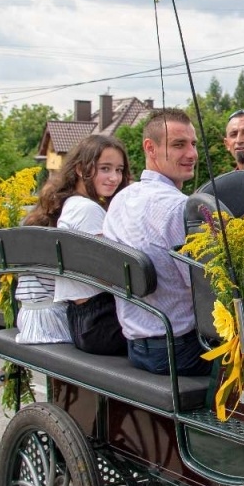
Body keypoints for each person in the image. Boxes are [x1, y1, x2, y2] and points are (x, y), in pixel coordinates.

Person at [103, 109, 212, 377]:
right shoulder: (178, 207)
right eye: (179, 145)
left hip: (136, 346)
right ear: (150, 148)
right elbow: (206, 287)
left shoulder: (120, 199)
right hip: (182, 352)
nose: (192, 154)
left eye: (193, 144)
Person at [29, 134, 129, 355]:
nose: (114, 177)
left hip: (83, 320)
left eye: (119, 170)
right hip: (101, 322)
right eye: (105, 168)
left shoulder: (72, 205)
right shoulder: (87, 210)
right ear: (81, 169)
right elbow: (112, 274)